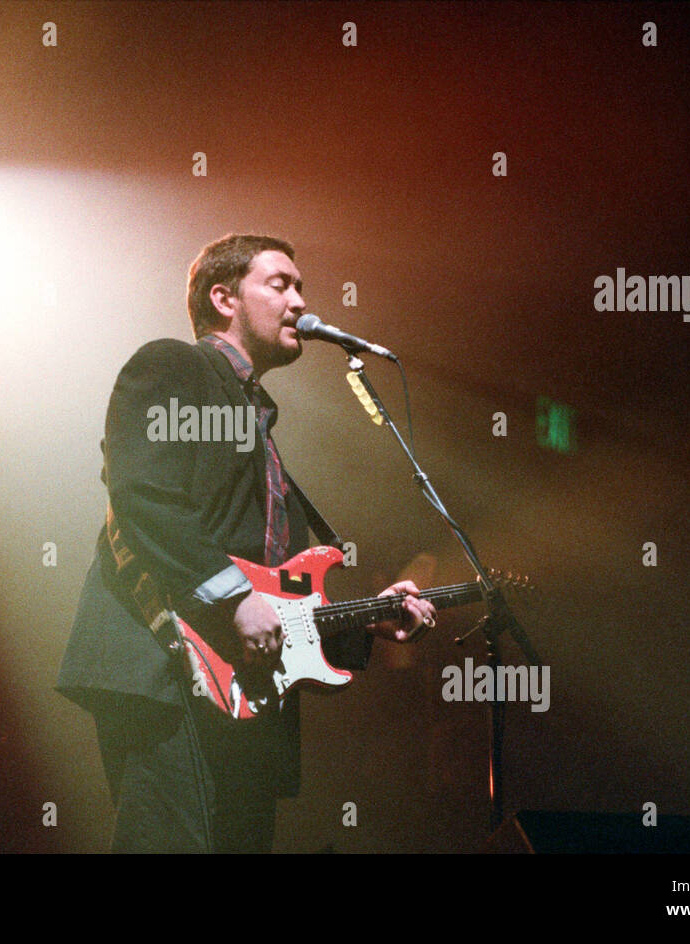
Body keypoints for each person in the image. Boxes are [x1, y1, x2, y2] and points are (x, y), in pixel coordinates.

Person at [57, 233, 436, 852]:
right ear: (223, 297)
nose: (299, 302)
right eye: (280, 283)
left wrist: (363, 623)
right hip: (165, 671)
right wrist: (233, 597)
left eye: (301, 287)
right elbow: (144, 495)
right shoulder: (172, 365)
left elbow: (277, 596)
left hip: (246, 698)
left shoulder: (258, 421)